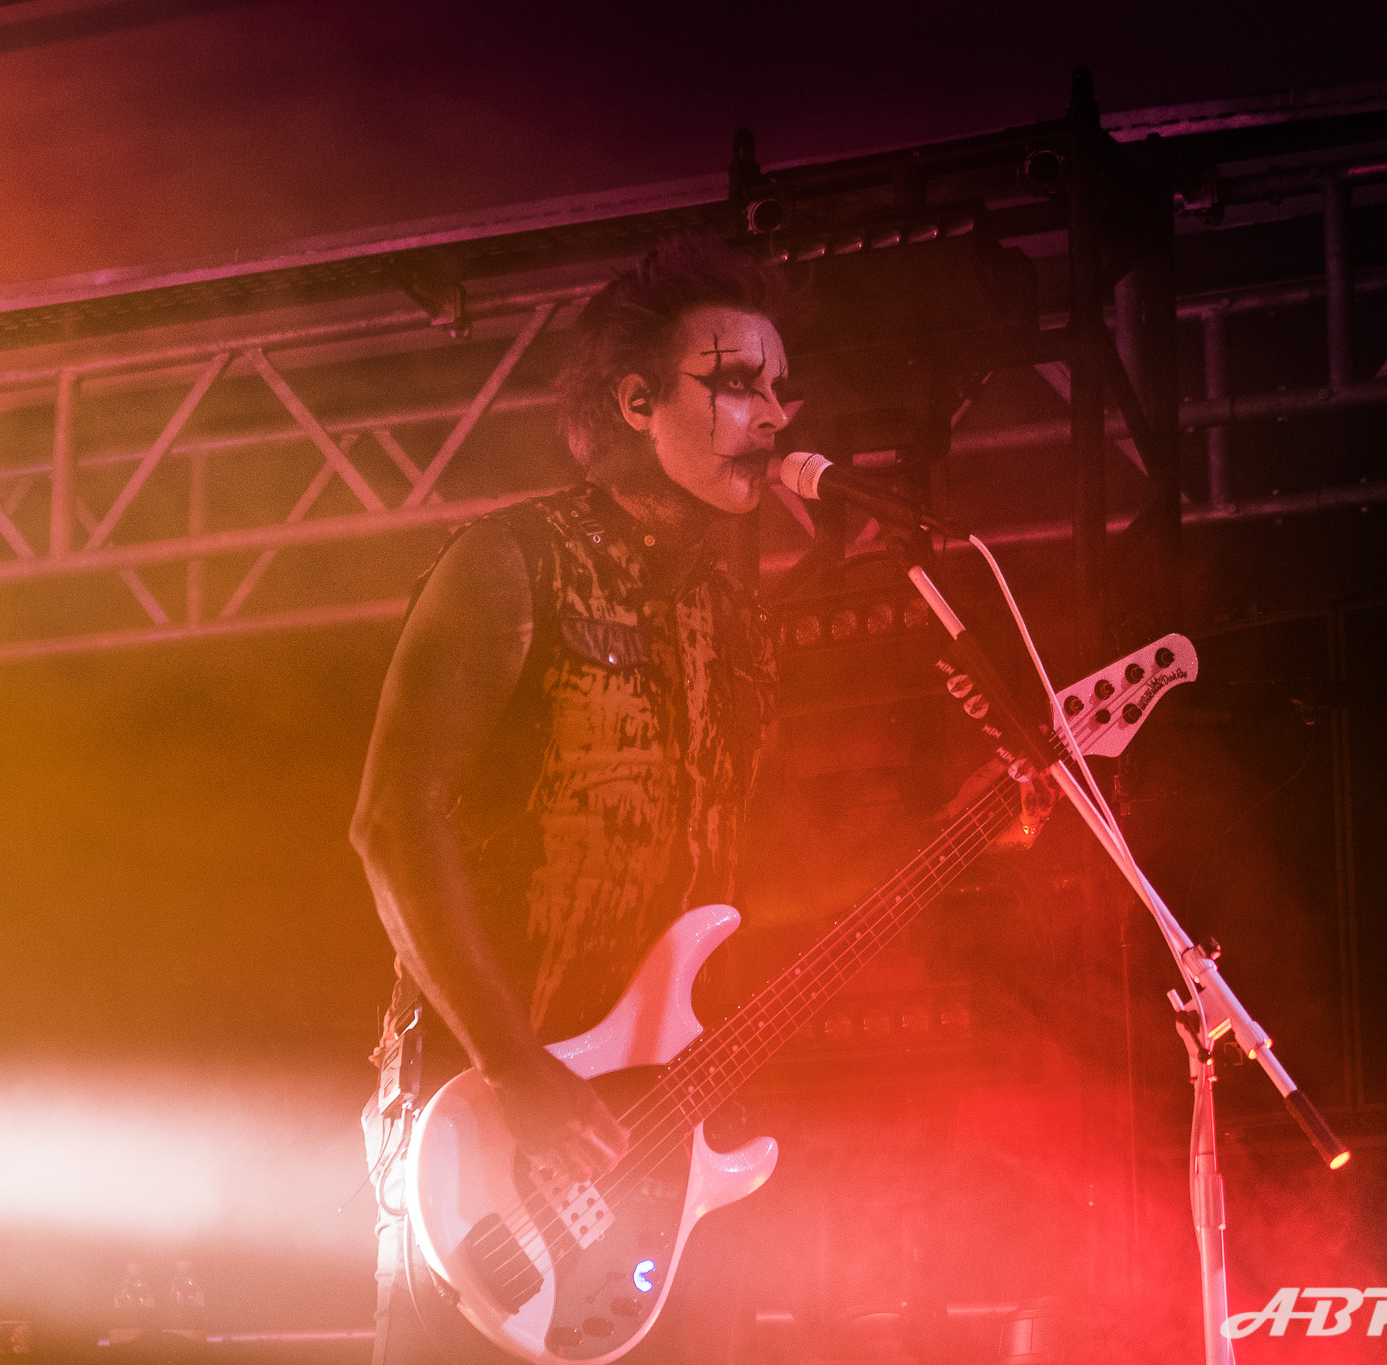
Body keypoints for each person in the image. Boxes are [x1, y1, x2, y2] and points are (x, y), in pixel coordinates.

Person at [349, 234, 792, 1363]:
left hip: (654, 1150)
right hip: (486, 1141)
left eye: (780, 389)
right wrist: (513, 1064)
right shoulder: (511, 562)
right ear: (638, 403)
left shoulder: (738, 623)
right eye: (739, 383)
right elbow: (393, 823)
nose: (774, 416)